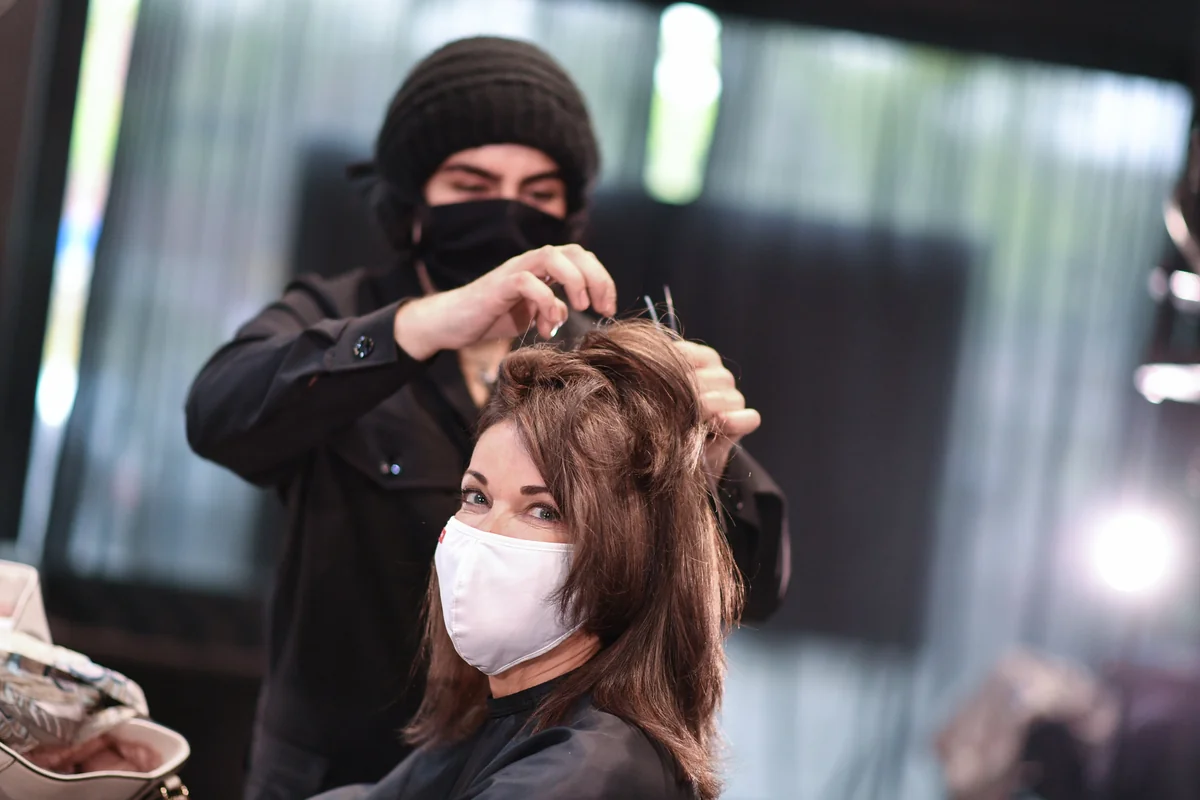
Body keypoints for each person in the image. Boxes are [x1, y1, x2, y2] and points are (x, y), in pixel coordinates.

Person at [185, 36, 789, 800]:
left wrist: (707, 467)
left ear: (569, 213)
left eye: (538, 191)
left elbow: (754, 588)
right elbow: (218, 414)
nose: (507, 208)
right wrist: (427, 323)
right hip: (337, 771)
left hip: (520, 761)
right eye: (472, 183)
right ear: (410, 203)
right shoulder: (340, 316)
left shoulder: (591, 370)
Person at [311, 320, 741, 800]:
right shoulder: (500, 718)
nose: (486, 536)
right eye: (477, 497)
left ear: (626, 550)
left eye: (543, 511)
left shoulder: (589, 769)